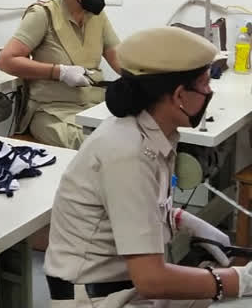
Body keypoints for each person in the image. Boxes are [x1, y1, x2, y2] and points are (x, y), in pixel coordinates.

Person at [45, 26, 252, 306]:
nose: (209, 92)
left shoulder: (152, 131)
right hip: (102, 299)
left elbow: (141, 204)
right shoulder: (127, 151)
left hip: (125, 285)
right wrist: (235, 280)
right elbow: (152, 280)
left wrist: (181, 220)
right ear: (179, 96)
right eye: (204, 84)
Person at [0, 0, 121, 150]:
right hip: (52, 111)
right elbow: (6, 61)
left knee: (134, 134)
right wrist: (60, 72)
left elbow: (119, 60)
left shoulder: (97, 17)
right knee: (98, 146)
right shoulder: (43, 15)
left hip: (94, 106)